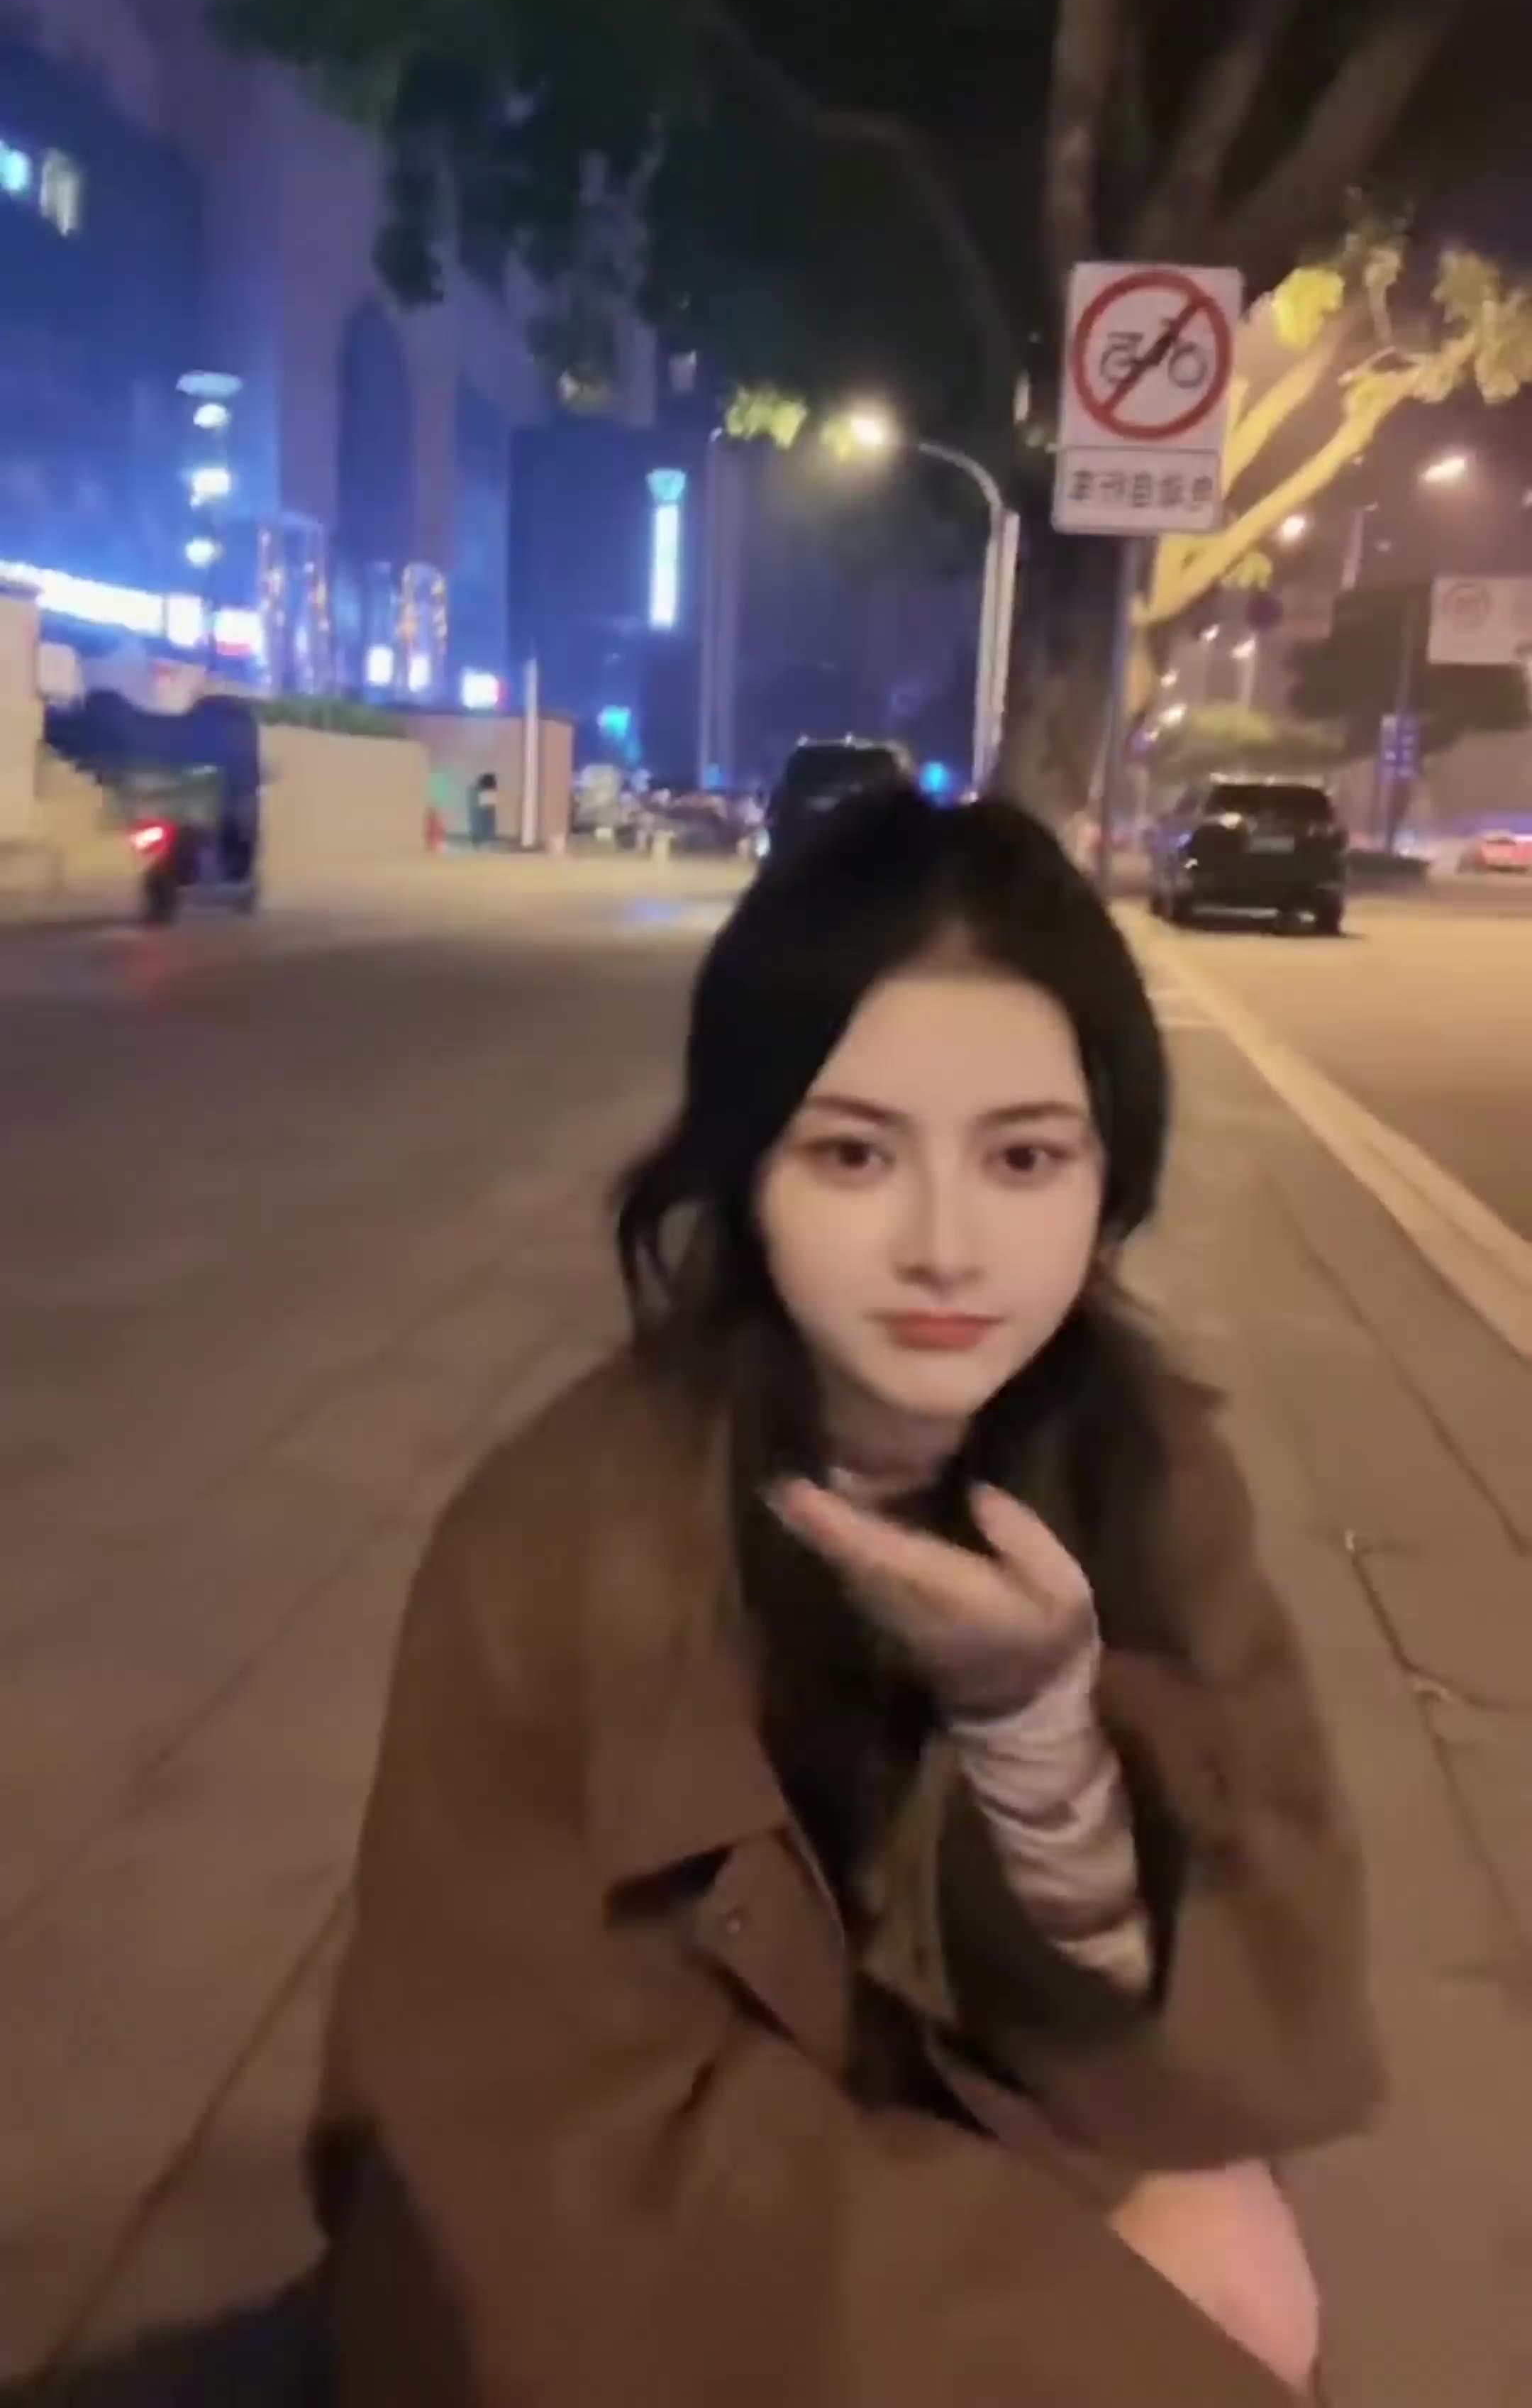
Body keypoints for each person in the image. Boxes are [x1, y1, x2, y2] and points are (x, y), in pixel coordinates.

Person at [312, 790, 1381, 2407]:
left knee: (1236, 2271)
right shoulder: (559, 1542)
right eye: (854, 1153)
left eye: (1024, 1157)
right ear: (747, 1175)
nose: (946, 1247)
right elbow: (535, 2141)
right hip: (667, 2260)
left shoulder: (1149, 1481)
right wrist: (1067, 2291)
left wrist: (1041, 1743)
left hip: (964, 2162)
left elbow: (1262, 1978)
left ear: (1111, 1180)